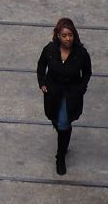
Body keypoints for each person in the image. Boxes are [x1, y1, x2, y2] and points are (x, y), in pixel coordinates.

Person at [36, 17, 91, 175]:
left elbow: (87, 72)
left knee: (63, 123)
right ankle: (63, 139)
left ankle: (60, 157)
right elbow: (41, 65)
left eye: (71, 35)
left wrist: (81, 88)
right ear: (58, 36)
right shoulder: (50, 50)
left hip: (71, 93)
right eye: (65, 35)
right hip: (53, 92)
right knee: (57, 120)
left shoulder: (81, 53)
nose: (68, 38)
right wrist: (42, 83)